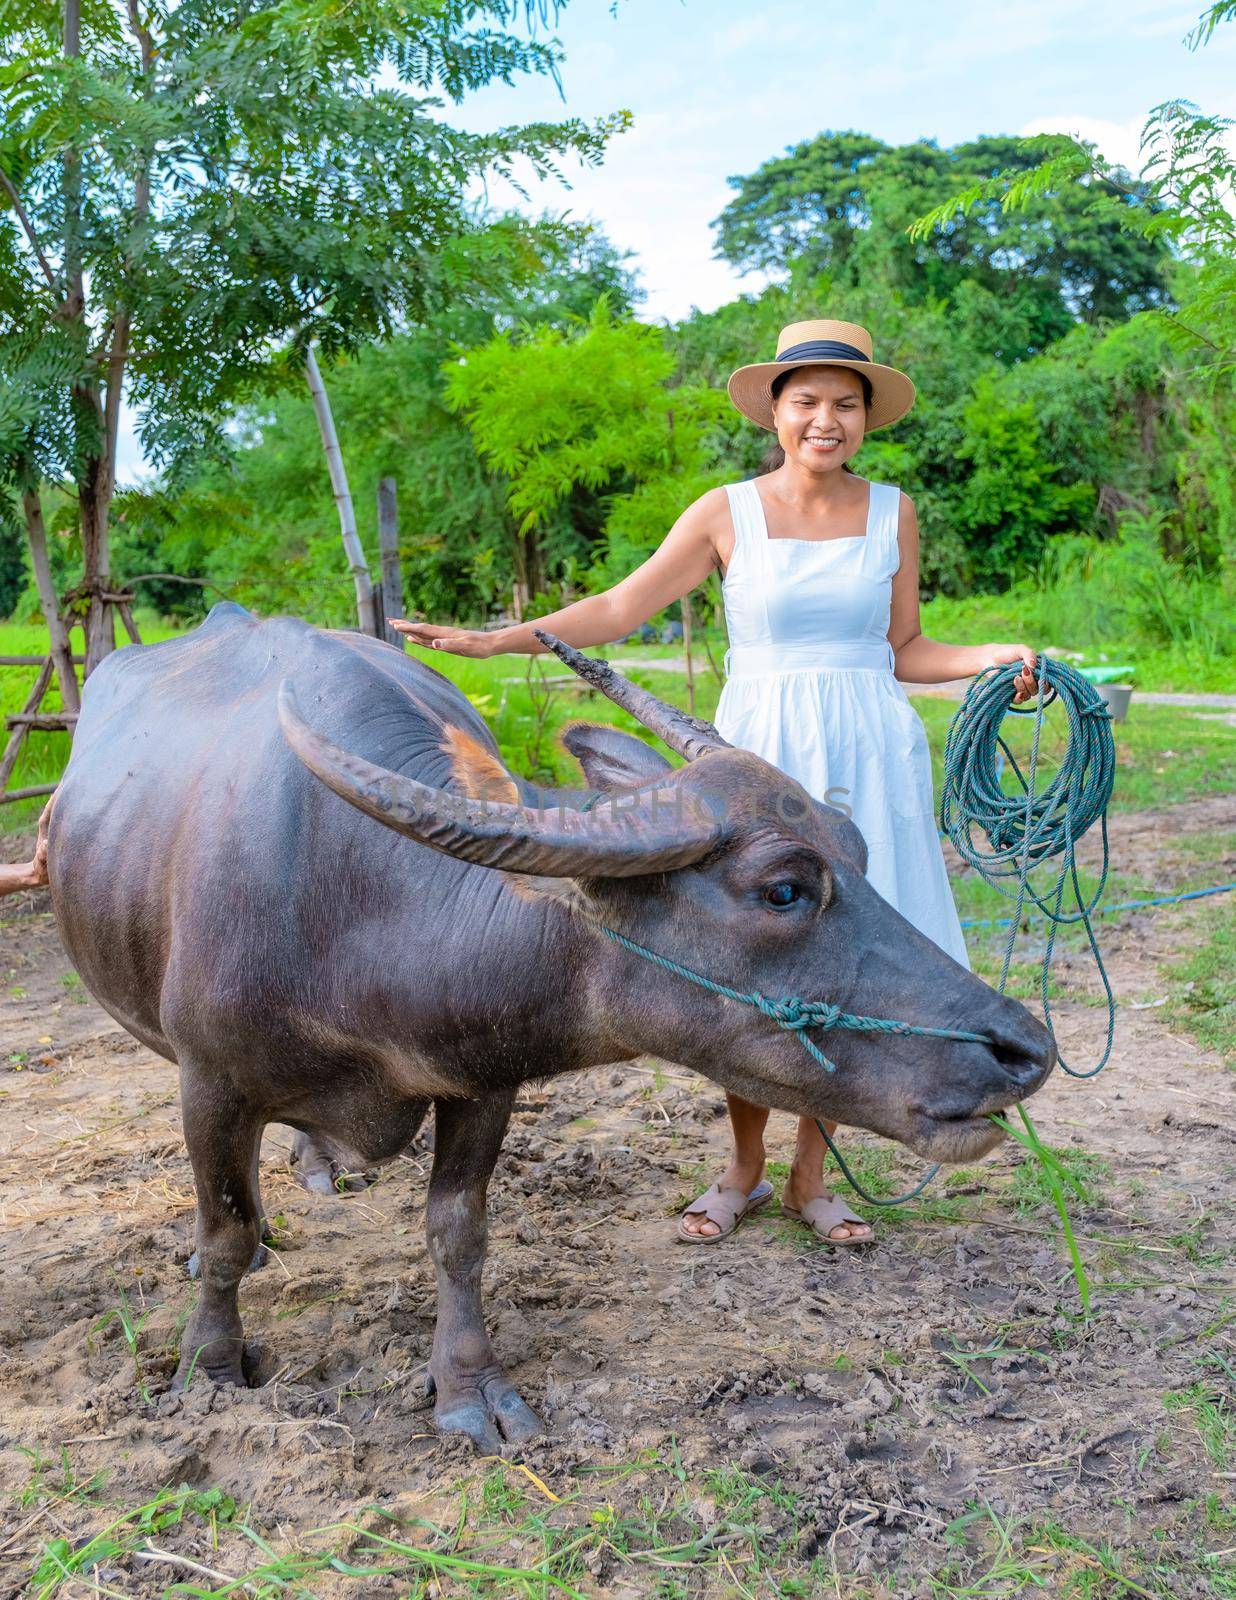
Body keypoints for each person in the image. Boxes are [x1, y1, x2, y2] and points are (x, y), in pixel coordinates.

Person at [389, 316, 1039, 1249]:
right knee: (751, 948)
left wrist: (994, 657)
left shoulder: (894, 511)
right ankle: (741, 1168)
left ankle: (814, 1178)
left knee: (852, 955)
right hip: (759, 753)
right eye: (807, 401)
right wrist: (504, 638)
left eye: (846, 405)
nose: (827, 419)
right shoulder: (724, 511)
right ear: (775, 410)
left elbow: (905, 650)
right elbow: (621, 604)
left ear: (867, 418)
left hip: (869, 747)